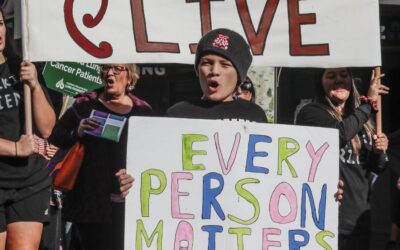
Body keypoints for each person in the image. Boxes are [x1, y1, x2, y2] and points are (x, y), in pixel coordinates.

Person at [48, 63, 152, 250]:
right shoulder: (84, 104)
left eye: (117, 69)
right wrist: (77, 132)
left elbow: (152, 153)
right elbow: (55, 136)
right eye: (106, 68)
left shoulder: (142, 110)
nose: (110, 73)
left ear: (130, 76)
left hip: (128, 203)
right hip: (88, 203)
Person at [296, 67, 389, 250]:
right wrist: (368, 103)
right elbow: (338, 135)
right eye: (331, 76)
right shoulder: (311, 113)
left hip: (360, 221)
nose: (339, 80)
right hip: (327, 221)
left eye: (344, 75)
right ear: (320, 83)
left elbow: (375, 168)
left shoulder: (361, 119)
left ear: (351, 81)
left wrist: (380, 153)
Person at [0, 7, 56, 250]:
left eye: (0, 23)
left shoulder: (21, 68)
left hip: (30, 182)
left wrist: (33, 85)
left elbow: (47, 128)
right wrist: (14, 148)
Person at [167, 28, 267, 123]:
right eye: (207, 63)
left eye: (225, 65)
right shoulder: (177, 114)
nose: (214, 71)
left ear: (239, 76)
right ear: (197, 70)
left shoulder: (254, 115)